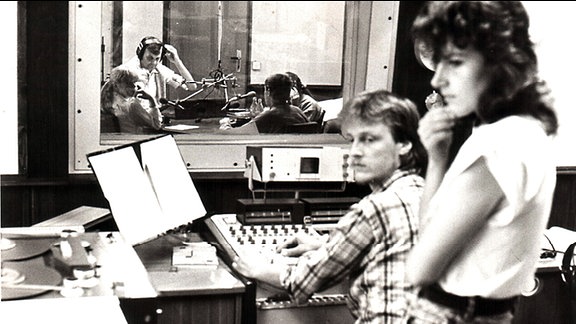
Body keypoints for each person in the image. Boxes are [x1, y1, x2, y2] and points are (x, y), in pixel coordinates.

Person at [403, 2, 558, 323]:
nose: (437, 80)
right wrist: (437, 158)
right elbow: (429, 232)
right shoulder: (523, 130)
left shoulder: (498, 146)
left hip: (452, 314)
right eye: (439, 63)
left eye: (455, 62)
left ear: (500, 65)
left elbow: (419, 269)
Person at [232, 89, 428, 323]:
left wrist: (255, 267)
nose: (355, 153)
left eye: (369, 140)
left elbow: (301, 280)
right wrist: (325, 244)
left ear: (404, 144)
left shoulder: (374, 208)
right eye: (352, 141)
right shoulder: (423, 191)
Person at [119, 36, 197, 110]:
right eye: (150, 58)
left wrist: (177, 61)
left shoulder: (159, 69)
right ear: (140, 55)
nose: (154, 63)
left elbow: (191, 86)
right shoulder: (127, 71)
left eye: (157, 59)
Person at [219, 73, 308, 134]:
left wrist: (225, 124)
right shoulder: (298, 111)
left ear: (268, 91)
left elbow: (233, 135)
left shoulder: (270, 116)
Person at [100, 66, 163, 134]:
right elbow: (157, 125)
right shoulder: (132, 105)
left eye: (135, 82)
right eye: (128, 83)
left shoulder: (109, 102)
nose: (134, 86)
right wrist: (151, 100)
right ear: (116, 86)